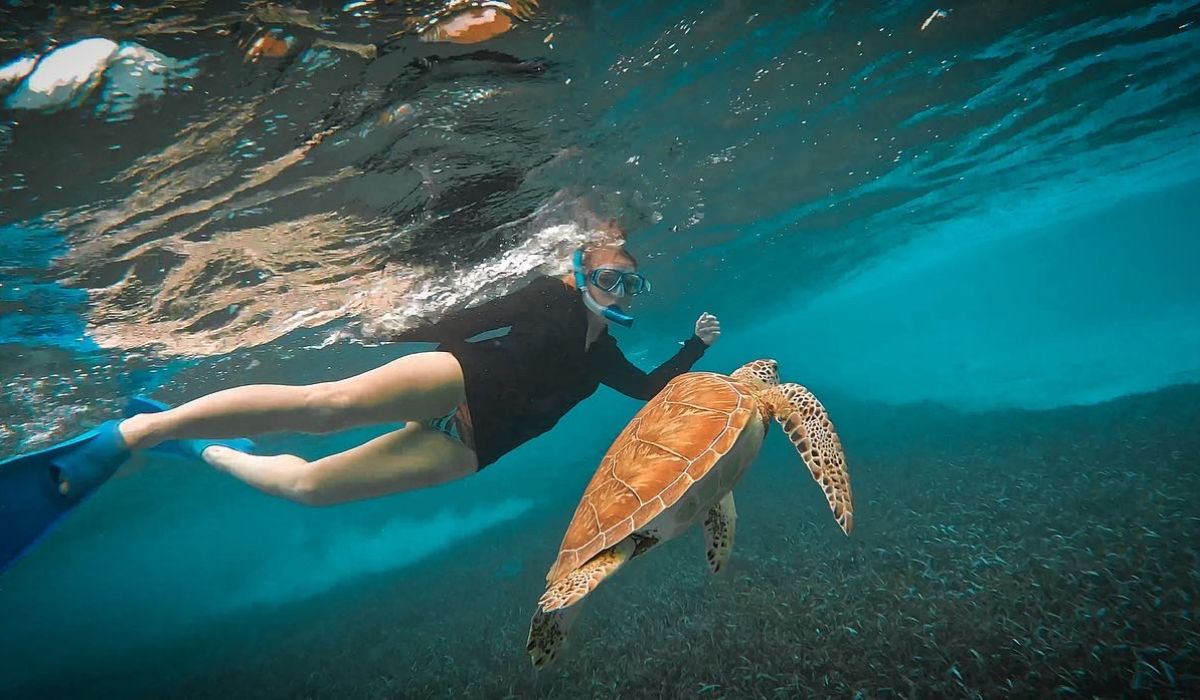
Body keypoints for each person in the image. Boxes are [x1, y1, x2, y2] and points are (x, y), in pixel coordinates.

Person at [0, 231, 720, 569]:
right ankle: (138, 432)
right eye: (606, 276)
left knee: (313, 489)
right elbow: (462, 323)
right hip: (459, 379)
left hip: (475, 446)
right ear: (578, 271)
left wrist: (697, 346)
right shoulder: (546, 298)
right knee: (326, 407)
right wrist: (386, 328)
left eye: (628, 284)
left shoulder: (607, 358)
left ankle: (203, 448)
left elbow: (653, 391)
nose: (617, 291)